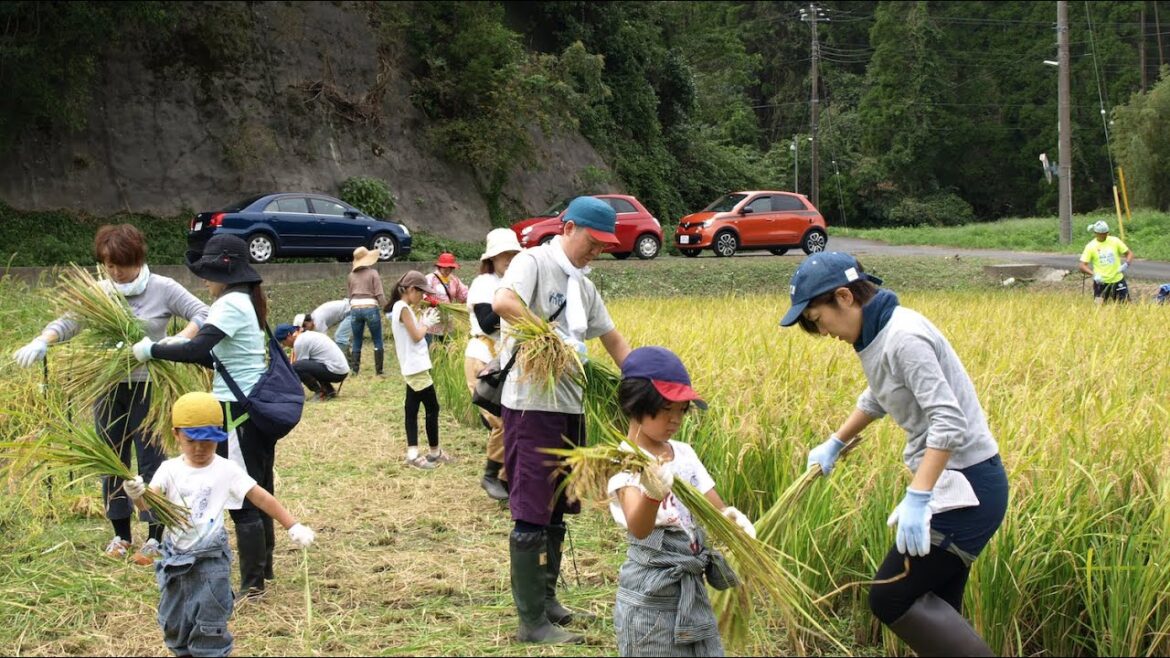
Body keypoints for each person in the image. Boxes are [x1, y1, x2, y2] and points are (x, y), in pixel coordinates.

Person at [780, 252, 1008, 657]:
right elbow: (880, 394)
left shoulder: (904, 337)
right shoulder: (879, 334)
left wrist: (919, 497)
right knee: (939, 611)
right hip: (952, 481)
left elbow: (948, 421)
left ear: (845, 297)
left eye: (817, 319)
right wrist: (836, 441)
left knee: (890, 598)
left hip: (967, 489)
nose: (823, 331)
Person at [11, 224, 209, 565]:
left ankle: (154, 535)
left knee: (152, 461)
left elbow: (203, 313)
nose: (115, 271)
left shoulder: (163, 288)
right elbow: (68, 322)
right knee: (110, 457)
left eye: (121, 263)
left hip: (149, 385)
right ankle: (120, 534)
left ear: (138, 258)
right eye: (108, 264)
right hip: (107, 384)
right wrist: (43, 340)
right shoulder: (100, 292)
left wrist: (175, 341)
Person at [493, 195, 632, 645]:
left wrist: (650, 383)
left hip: (569, 407)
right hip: (532, 406)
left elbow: (612, 339)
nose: (597, 252)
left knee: (555, 509)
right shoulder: (534, 262)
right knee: (532, 510)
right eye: (593, 242)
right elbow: (503, 302)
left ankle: (548, 600)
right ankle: (531, 621)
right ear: (568, 228)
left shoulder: (584, 286)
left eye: (604, 247)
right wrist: (549, 333)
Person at [132, 233, 282, 598]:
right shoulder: (244, 300)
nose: (205, 280)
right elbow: (211, 356)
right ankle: (265, 567)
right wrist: (170, 348)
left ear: (225, 272)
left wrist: (153, 349)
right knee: (259, 485)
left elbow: (199, 347)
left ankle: (253, 585)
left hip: (236, 409)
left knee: (242, 496)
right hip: (252, 405)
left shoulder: (230, 303)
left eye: (209, 272)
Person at [122, 391, 315, 657]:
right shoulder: (169, 469)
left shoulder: (226, 469)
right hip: (174, 560)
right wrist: (138, 495)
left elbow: (260, 497)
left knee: (210, 625)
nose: (200, 449)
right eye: (192, 441)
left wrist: (292, 525)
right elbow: (150, 507)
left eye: (209, 442)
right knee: (175, 624)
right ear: (176, 434)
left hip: (211, 560)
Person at [608, 347, 752, 657]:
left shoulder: (684, 453)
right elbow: (639, 527)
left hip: (690, 589)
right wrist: (652, 494)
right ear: (637, 403)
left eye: (682, 410)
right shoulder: (626, 460)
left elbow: (714, 506)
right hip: (650, 596)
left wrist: (731, 518)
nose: (675, 419)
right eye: (666, 408)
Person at [465, 229, 522, 501]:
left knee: (514, 422)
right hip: (482, 358)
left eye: (514, 254)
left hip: (503, 362)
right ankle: (490, 475)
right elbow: (488, 322)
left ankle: (506, 481)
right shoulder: (484, 283)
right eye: (504, 255)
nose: (509, 259)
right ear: (492, 258)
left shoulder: (514, 283)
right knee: (500, 421)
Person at [388, 270, 448, 470]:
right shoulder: (402, 307)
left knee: (411, 409)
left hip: (413, 365)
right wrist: (426, 323)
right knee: (433, 408)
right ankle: (434, 452)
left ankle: (413, 453)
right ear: (411, 289)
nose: (422, 297)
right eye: (421, 292)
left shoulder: (402, 307)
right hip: (416, 367)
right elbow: (416, 336)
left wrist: (421, 320)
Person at [275, 323, 349, 401]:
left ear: (289, 335)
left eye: (283, 341)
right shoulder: (305, 336)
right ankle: (329, 391)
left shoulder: (300, 342)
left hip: (336, 371)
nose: (285, 345)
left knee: (298, 366)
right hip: (341, 370)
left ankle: (320, 393)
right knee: (308, 364)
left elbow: (298, 369)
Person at [346, 247, 386, 375]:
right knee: (377, 339)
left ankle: (355, 370)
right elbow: (379, 294)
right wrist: (386, 308)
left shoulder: (351, 276)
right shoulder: (373, 273)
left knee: (357, 339)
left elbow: (350, 296)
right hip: (370, 308)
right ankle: (379, 371)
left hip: (355, 309)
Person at [1078, 220, 1133, 304]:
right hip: (1101, 282)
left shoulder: (1115, 241)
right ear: (1096, 233)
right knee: (1099, 306)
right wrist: (1094, 274)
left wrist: (1126, 264)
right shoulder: (1090, 246)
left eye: (1106, 233)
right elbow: (1082, 266)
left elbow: (1129, 253)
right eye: (1101, 234)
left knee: (1125, 305)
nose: (1104, 236)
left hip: (1118, 280)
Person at [423, 252, 469, 345]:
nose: (447, 271)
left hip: (447, 320)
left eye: (450, 268)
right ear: (439, 267)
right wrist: (429, 300)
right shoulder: (430, 278)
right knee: (431, 347)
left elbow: (463, 294)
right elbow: (420, 293)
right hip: (432, 319)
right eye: (445, 268)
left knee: (445, 348)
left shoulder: (454, 280)